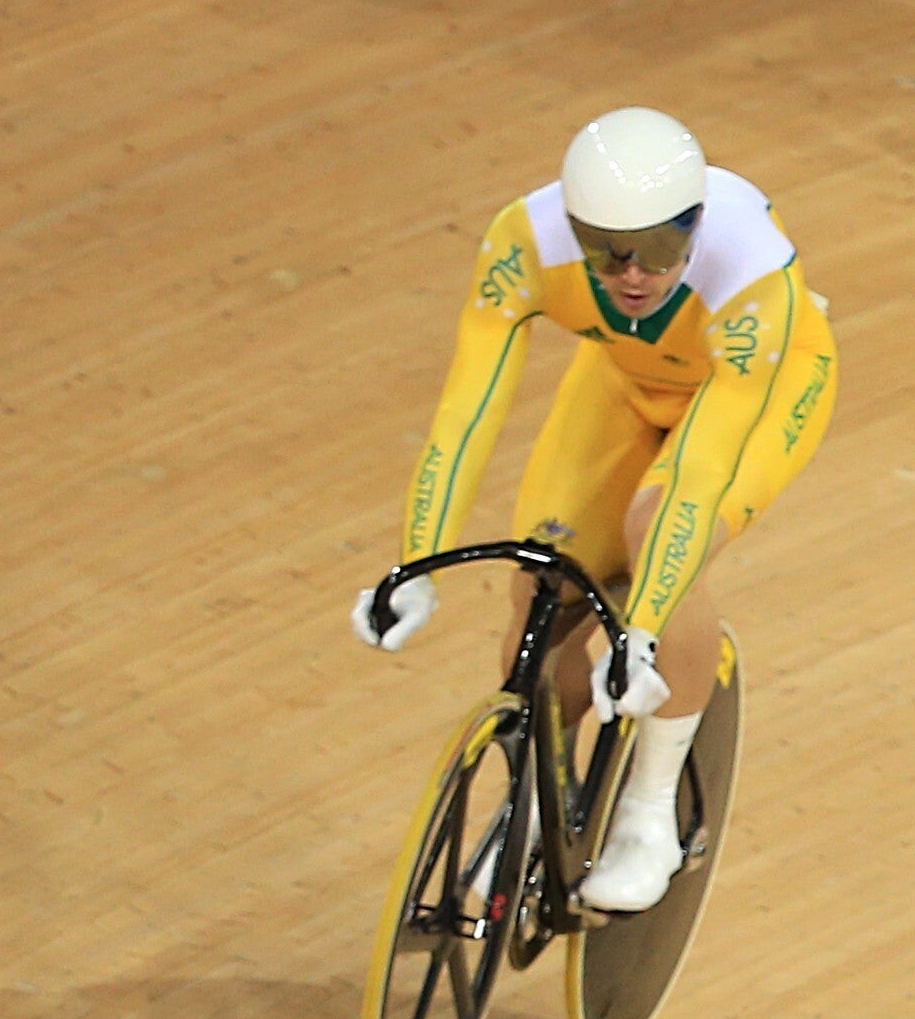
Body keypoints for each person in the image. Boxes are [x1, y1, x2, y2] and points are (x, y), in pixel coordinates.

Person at [355, 107, 838, 911]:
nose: (633, 275)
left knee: (657, 536)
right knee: (544, 574)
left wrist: (640, 629)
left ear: (697, 225)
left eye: (657, 249)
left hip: (748, 399)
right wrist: (417, 560)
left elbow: (702, 472)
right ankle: (537, 796)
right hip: (622, 385)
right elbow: (467, 411)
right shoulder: (524, 245)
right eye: (605, 253)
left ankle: (650, 815)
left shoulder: (752, 274)